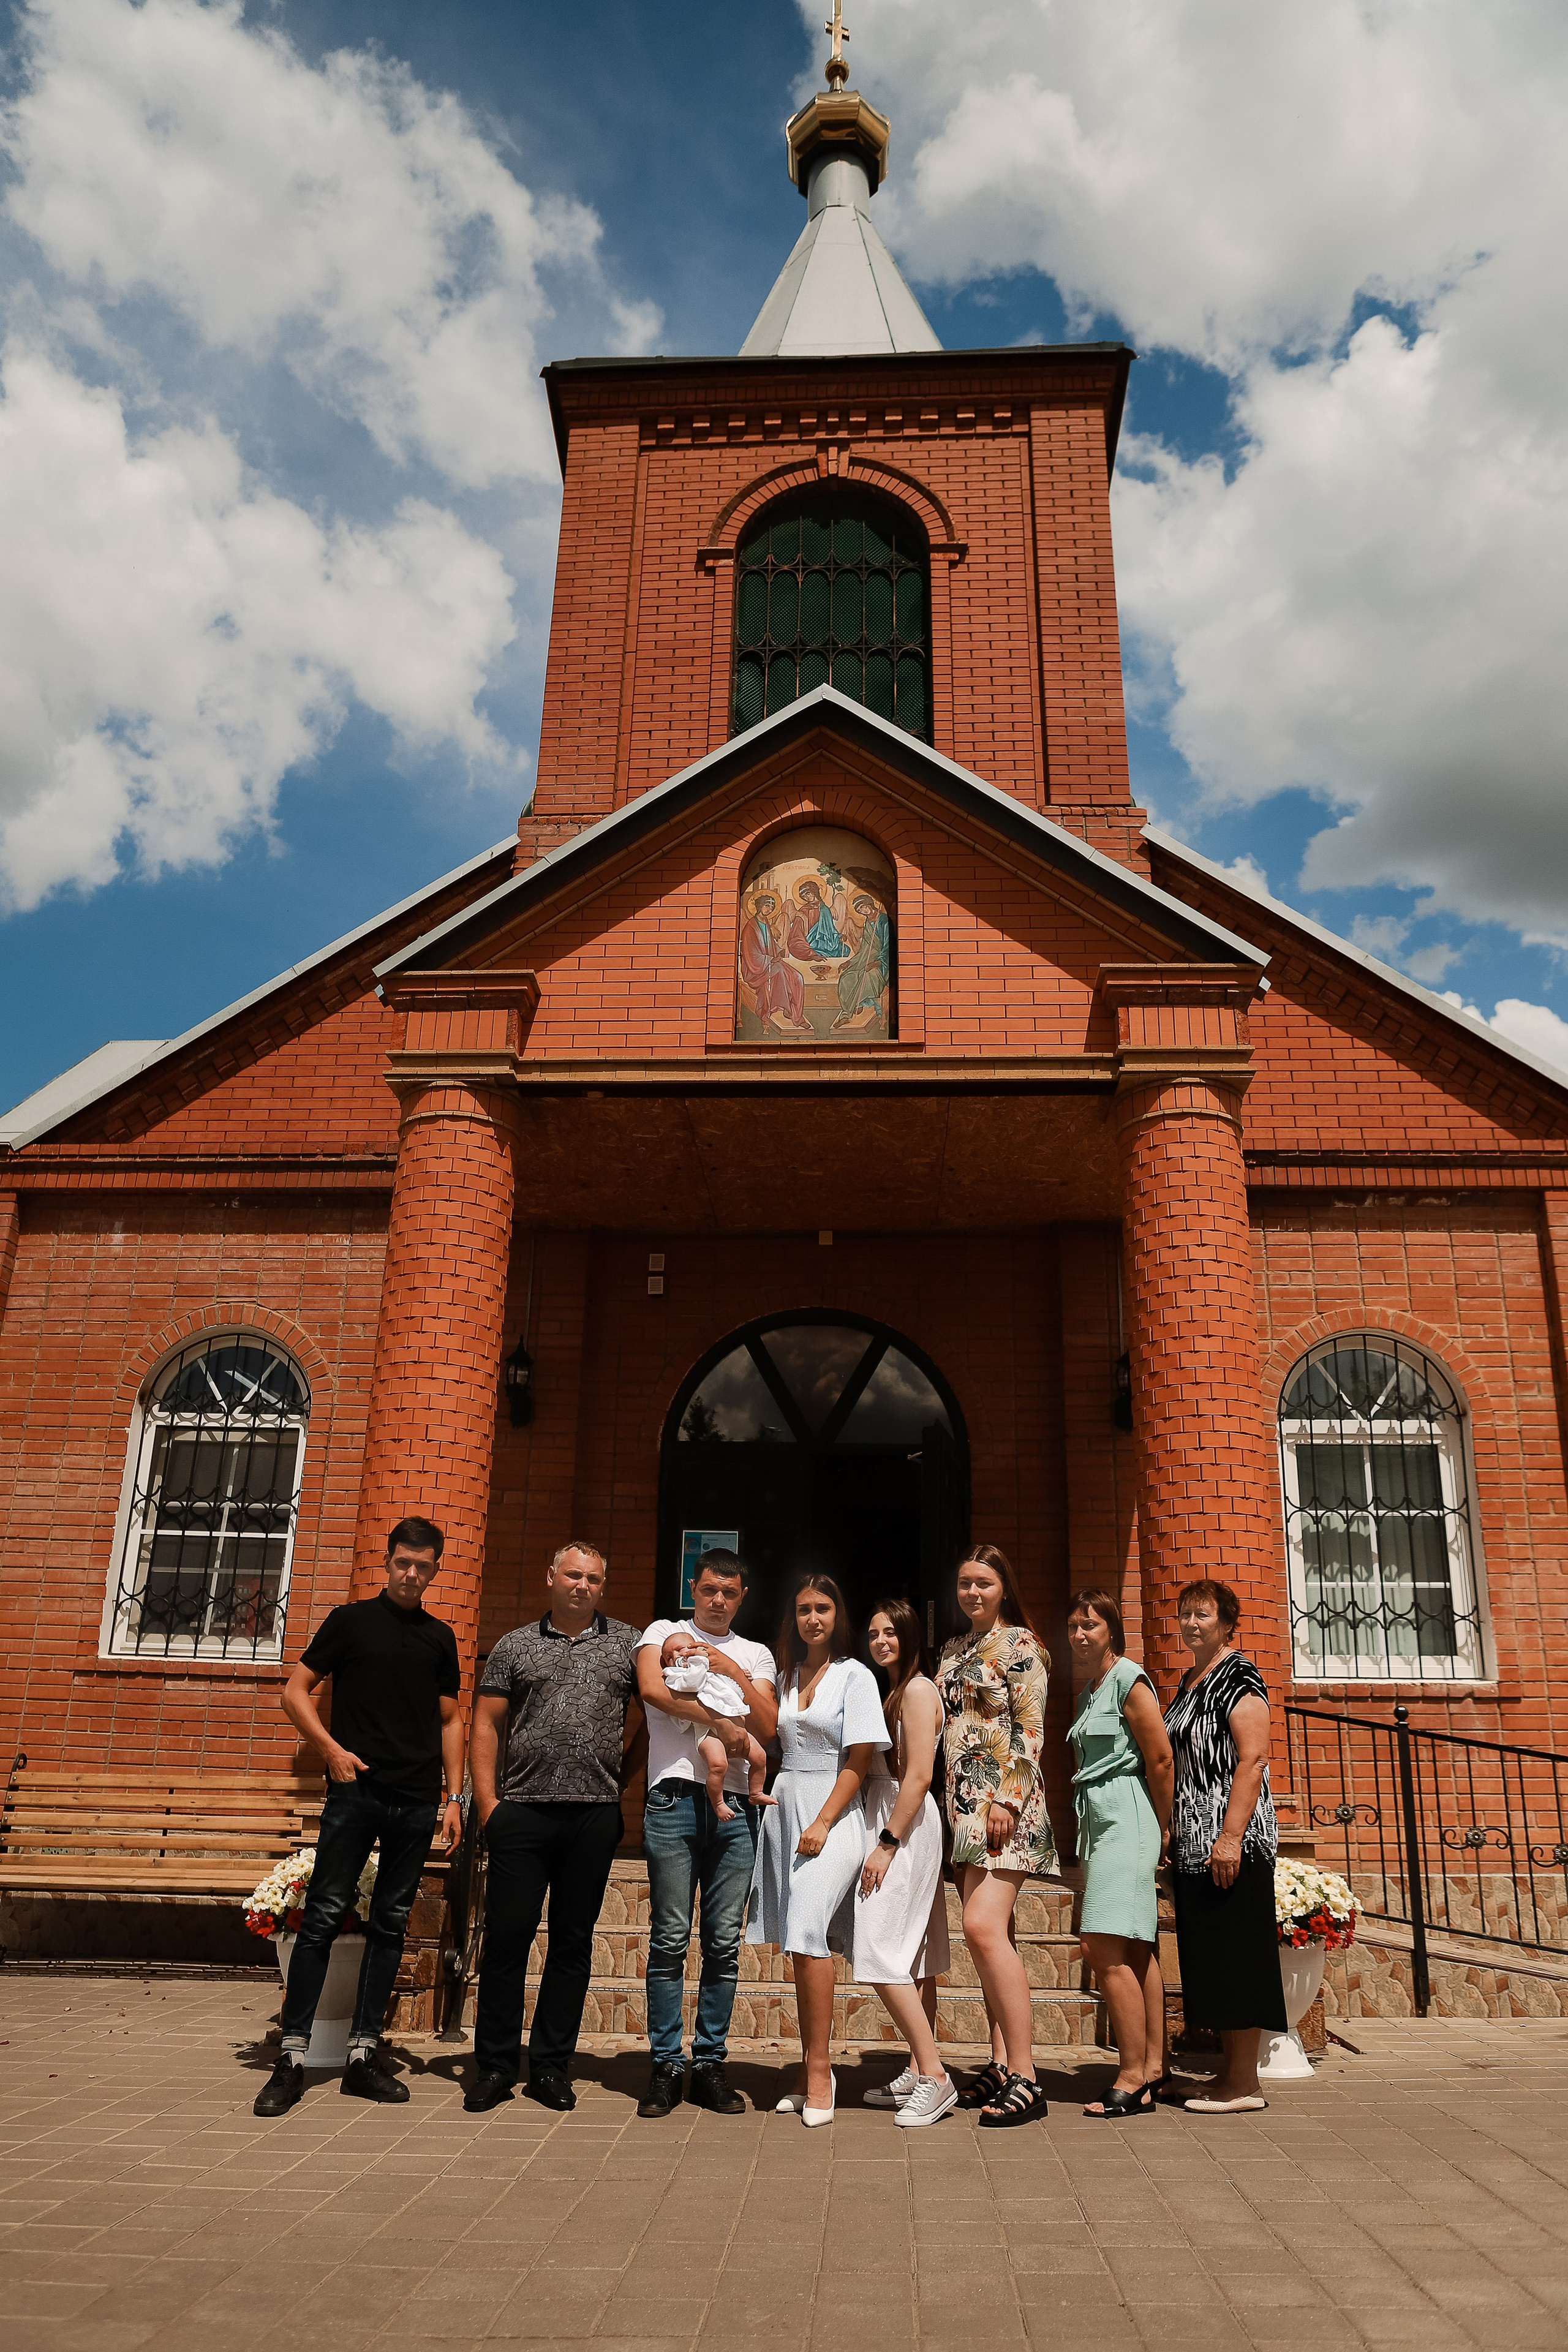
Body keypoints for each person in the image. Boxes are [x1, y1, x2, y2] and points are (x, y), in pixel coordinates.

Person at [254, 1517, 464, 2117]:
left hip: (416, 1798)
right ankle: (291, 2059)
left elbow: (449, 1720)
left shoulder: (438, 1637)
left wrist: (452, 1798)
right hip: (354, 1795)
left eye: (423, 1567)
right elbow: (296, 1691)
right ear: (388, 1560)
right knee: (322, 1917)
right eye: (403, 1563)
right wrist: (330, 1749)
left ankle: (362, 2058)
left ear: (434, 1570)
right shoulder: (349, 1622)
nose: (411, 1574)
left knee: (391, 1924)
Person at [464, 1542, 643, 2114]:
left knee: (571, 1943)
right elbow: (487, 1723)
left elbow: (656, 1714)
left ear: (602, 1584)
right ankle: (493, 2066)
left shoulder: (628, 1645)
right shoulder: (515, 1646)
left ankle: (549, 2068)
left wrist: (623, 1779)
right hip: (523, 1812)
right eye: (573, 1575)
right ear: (551, 1577)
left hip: (592, 1814)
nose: (582, 1585)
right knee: (507, 1939)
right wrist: (489, 1804)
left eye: (593, 1578)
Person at [634, 1550, 779, 2119]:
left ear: (743, 1597)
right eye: (711, 1589)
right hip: (673, 1797)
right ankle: (667, 2064)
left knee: (722, 1941)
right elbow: (651, 1689)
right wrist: (719, 1721)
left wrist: (730, 1669)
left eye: (731, 1593)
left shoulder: (756, 1652)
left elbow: (768, 1726)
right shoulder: (664, 1632)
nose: (719, 1600)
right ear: (693, 1586)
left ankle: (710, 2063)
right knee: (670, 1936)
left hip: (737, 1806)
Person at [747, 1575, 888, 2125]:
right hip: (785, 1807)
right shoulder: (782, 1677)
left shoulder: (856, 1677)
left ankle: (820, 2070)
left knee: (808, 1928)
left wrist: (826, 1821)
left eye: (823, 1608)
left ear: (838, 1615)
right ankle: (810, 2066)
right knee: (800, 1945)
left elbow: (859, 1761)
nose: (814, 1618)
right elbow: (759, 1735)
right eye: (804, 1609)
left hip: (835, 1811)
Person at [936, 1545, 1054, 2128]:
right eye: (964, 1584)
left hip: (1006, 1806)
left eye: (983, 1583)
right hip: (962, 1810)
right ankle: (1002, 2061)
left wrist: (1008, 1796)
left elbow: (1031, 1730)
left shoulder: (1023, 1646)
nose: (973, 1593)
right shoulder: (953, 1650)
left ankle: (1029, 2077)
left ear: (1003, 1587)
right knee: (992, 1935)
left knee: (982, 1928)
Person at [1163, 1577, 1285, 2114]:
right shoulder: (1192, 1679)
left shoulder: (1239, 1675)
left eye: (1203, 1615)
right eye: (1186, 1614)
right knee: (1214, 1955)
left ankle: (1245, 2085)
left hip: (1230, 1839)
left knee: (1238, 1955)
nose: (1191, 1624)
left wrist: (1230, 1838)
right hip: (1194, 1840)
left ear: (1227, 1623)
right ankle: (1229, 2079)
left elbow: (1253, 1759)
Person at [1065, 1588, 1174, 2119]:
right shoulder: (1091, 1691)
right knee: (1135, 1948)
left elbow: (1159, 1757)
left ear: (1112, 1629)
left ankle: (1130, 2076)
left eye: (1091, 1624)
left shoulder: (1130, 1679)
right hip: (1101, 1826)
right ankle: (1153, 2068)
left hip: (1130, 1821)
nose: (1081, 1634)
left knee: (1099, 1945)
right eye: (1074, 1626)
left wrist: (1165, 1825)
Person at [854, 1599, 955, 2127]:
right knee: (912, 1953)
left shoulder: (916, 1690)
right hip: (889, 1815)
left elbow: (918, 1775)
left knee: (876, 1942)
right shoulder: (891, 1688)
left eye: (890, 1632)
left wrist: (888, 1841)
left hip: (905, 1822)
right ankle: (919, 2069)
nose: (880, 1641)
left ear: (911, 1635)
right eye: (873, 1633)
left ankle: (938, 2078)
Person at [657, 1624, 772, 1818]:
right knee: (718, 1765)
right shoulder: (675, 1676)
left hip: (737, 1723)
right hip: (707, 1731)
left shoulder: (712, 1669)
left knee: (760, 1758)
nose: (678, 1655)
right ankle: (718, 1803)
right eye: (670, 1656)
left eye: (683, 1648)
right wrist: (699, 1661)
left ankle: (756, 1792)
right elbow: (693, 1683)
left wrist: (743, 1676)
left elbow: (732, 1685)